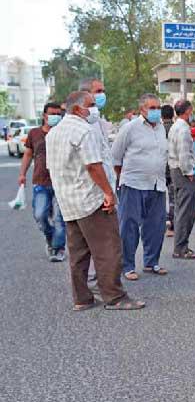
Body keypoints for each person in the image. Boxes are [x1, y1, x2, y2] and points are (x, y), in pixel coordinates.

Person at [46, 90, 145, 312]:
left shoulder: (54, 132)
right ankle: (114, 297)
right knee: (108, 249)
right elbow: (93, 165)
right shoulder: (84, 130)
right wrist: (108, 193)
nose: (94, 109)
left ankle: (82, 298)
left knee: (78, 254)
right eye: (90, 105)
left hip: (69, 202)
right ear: (77, 109)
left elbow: (53, 168)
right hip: (92, 201)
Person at [111, 93, 169, 281]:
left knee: (156, 226)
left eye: (158, 108)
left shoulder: (161, 128)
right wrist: (123, 177)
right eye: (152, 108)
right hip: (133, 184)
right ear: (142, 109)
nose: (156, 111)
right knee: (129, 227)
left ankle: (151, 262)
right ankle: (127, 266)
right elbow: (116, 157)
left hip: (157, 184)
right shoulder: (130, 128)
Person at [79, 77, 116, 293]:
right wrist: (107, 191)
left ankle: (98, 282)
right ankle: (97, 285)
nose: (103, 95)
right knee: (96, 242)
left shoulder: (98, 123)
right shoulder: (80, 126)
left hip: (104, 189)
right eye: (98, 91)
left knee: (104, 241)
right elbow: (92, 165)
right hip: (92, 191)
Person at [18, 102, 66, 262]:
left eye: (58, 114)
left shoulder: (64, 133)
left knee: (59, 219)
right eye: (52, 114)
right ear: (44, 115)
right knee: (40, 215)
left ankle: (58, 248)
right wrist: (22, 174)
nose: (56, 117)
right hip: (41, 182)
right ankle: (51, 237)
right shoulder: (34, 133)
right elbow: (28, 155)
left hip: (62, 183)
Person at [168, 99, 195, 260]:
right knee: (186, 211)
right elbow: (184, 154)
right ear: (187, 111)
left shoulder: (176, 126)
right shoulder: (183, 129)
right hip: (183, 173)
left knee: (181, 209)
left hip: (177, 171)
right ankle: (181, 247)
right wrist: (189, 172)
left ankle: (180, 246)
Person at [161, 104, 176, 237]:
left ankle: (162, 222)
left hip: (160, 169)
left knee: (161, 198)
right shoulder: (176, 129)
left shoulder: (158, 130)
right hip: (173, 169)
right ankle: (172, 225)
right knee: (173, 198)